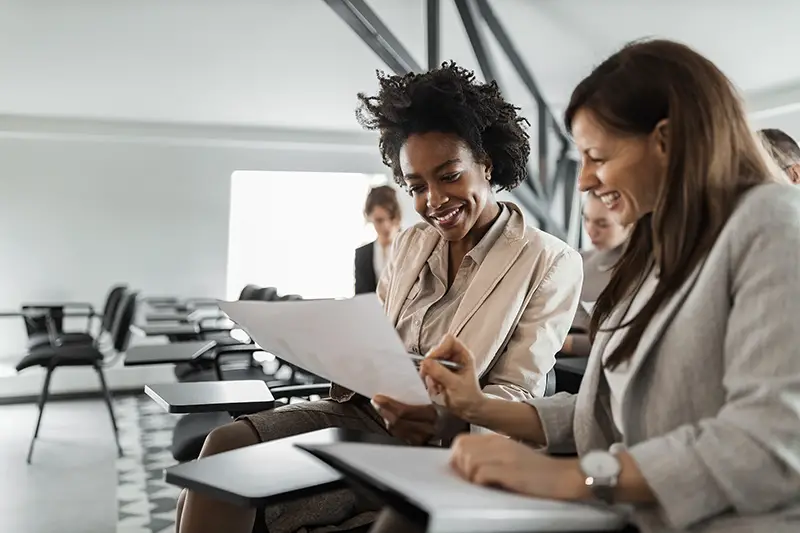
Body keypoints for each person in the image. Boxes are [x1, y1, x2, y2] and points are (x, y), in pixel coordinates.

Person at [370, 39, 800, 533]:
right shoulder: (655, 251)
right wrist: (477, 405)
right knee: (406, 513)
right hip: (630, 503)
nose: (584, 181)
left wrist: (577, 478)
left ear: (666, 141)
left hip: (718, 519)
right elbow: (602, 412)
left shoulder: (773, 223)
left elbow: (770, 443)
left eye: (597, 156)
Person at [176, 62, 583, 533]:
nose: (433, 200)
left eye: (449, 176)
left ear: (486, 165)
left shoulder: (549, 260)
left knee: (237, 480)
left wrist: (444, 420)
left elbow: (519, 393)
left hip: (449, 441)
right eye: (416, 186)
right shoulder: (411, 243)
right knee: (222, 446)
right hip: (366, 412)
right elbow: (379, 348)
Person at [561, 192, 630, 356]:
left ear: (630, 223)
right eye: (586, 219)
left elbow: (625, 342)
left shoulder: (641, 274)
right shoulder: (579, 259)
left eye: (602, 224)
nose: (590, 231)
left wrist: (567, 343)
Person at [355, 185, 402, 294]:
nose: (386, 226)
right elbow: (361, 297)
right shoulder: (362, 254)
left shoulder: (413, 249)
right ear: (369, 218)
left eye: (391, 218)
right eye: (379, 220)